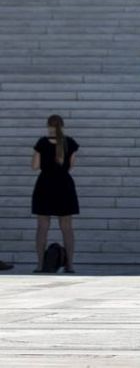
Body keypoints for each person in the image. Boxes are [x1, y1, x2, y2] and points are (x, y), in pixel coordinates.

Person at [32, 115, 80, 273]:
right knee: (67, 228)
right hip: (64, 186)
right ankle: (70, 266)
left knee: (42, 227)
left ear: (48, 126)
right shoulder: (70, 143)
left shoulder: (41, 143)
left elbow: (34, 166)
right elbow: (71, 166)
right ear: (63, 126)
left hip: (45, 185)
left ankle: (40, 265)